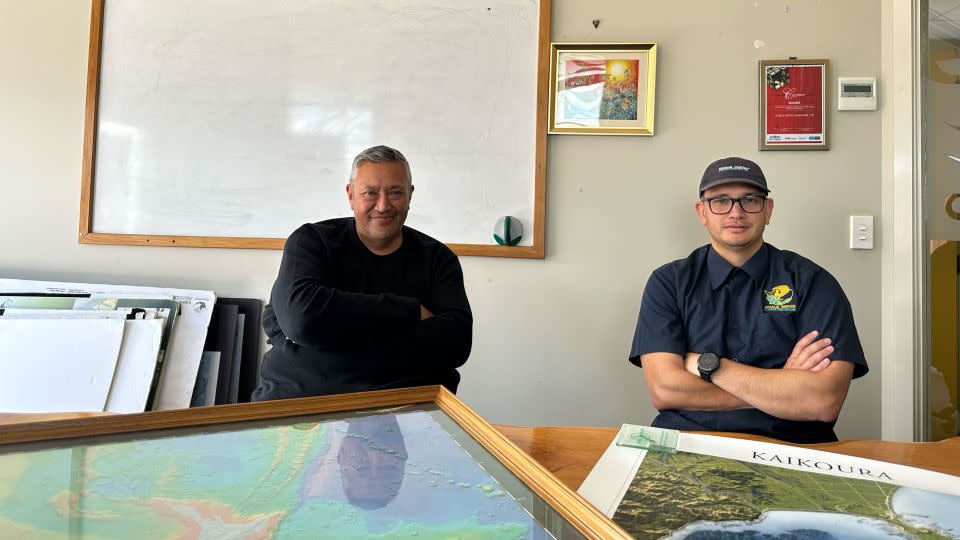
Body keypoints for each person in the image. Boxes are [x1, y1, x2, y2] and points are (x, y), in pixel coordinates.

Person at [630, 157, 867, 443]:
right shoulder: (668, 283)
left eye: (750, 200)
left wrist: (711, 366)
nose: (736, 213)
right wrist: (781, 388)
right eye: (720, 201)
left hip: (791, 447)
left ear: (768, 210)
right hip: (686, 443)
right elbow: (665, 391)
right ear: (701, 212)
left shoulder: (814, 283)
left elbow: (822, 401)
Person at [252, 145, 472, 401]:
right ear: (351, 195)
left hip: (404, 413)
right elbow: (301, 319)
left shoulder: (438, 259)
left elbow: (456, 344)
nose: (383, 205)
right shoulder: (311, 242)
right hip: (298, 410)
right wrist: (409, 312)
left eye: (395, 192)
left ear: (410, 195)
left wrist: (330, 334)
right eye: (370, 193)